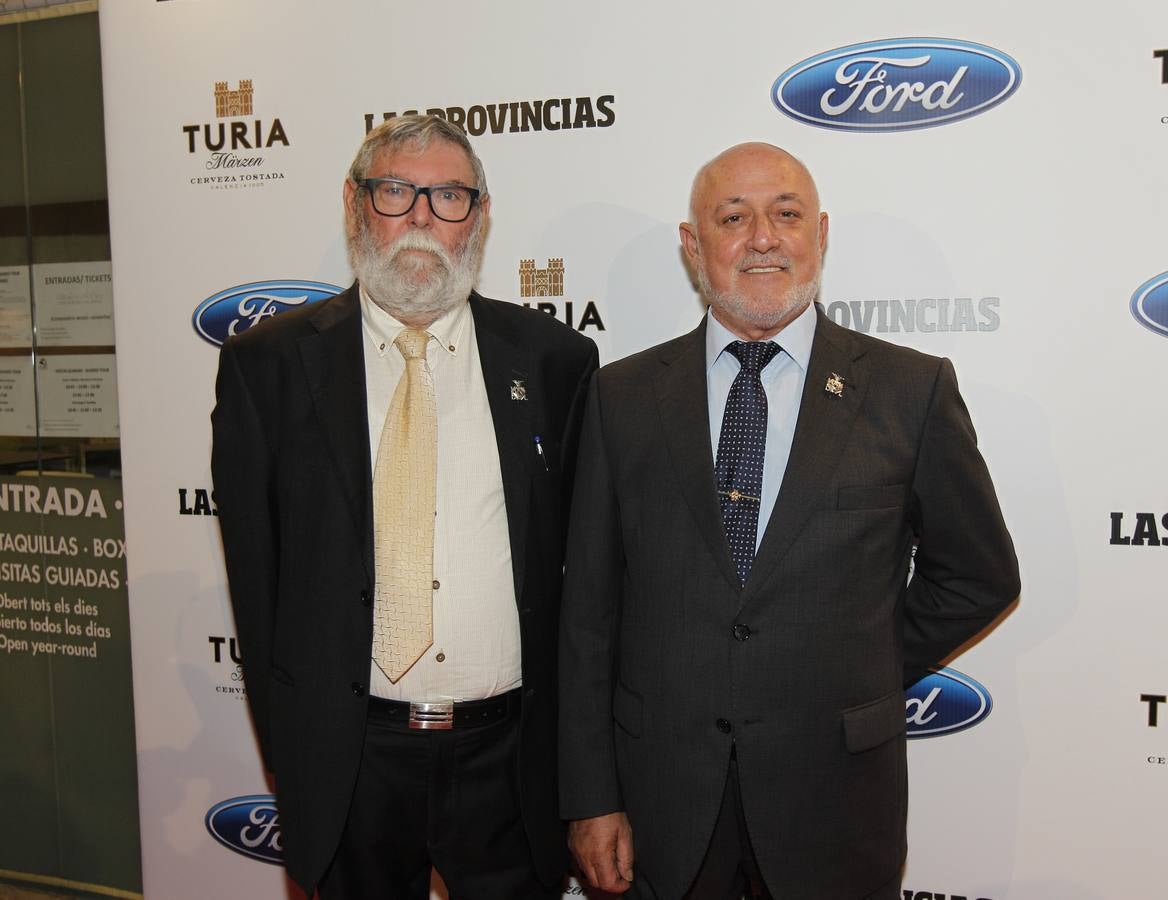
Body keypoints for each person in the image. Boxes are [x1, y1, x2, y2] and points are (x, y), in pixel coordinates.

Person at [558, 142, 1019, 900]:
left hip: (833, 798)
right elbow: (587, 619)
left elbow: (978, 574)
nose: (762, 237)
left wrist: (857, 656)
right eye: (732, 217)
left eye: (786, 214)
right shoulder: (622, 397)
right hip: (660, 802)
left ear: (821, 233)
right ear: (692, 244)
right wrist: (590, 797)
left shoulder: (911, 390)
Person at [212, 114, 598, 900]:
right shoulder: (270, 367)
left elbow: (586, 577)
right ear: (356, 207)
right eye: (397, 191)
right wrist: (296, 753)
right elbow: (258, 586)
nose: (422, 215)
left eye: (449, 195)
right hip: (353, 760)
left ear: (481, 218)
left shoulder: (556, 361)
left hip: (511, 756)